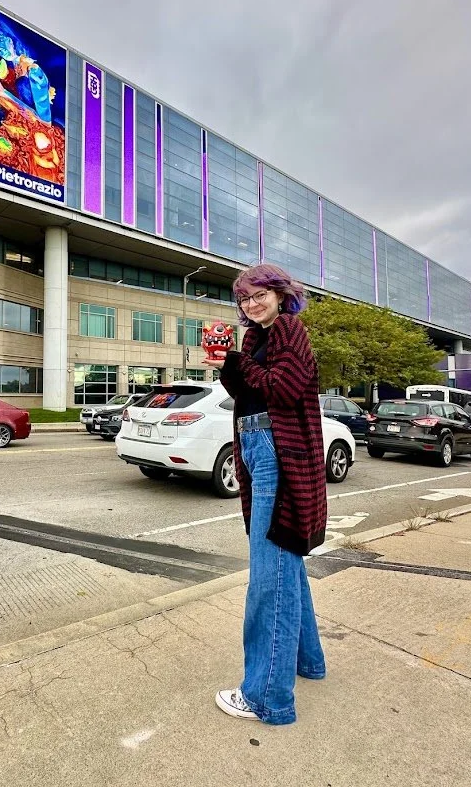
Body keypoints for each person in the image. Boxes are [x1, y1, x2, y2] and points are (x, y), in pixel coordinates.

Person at [205, 263, 327, 725]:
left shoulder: (289, 329)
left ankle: (266, 698)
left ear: (280, 294)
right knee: (285, 563)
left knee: (268, 574)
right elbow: (248, 390)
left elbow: (284, 388)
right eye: (244, 299)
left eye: (259, 295)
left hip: (279, 450)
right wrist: (228, 366)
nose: (251, 305)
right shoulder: (258, 338)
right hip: (257, 445)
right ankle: (308, 660)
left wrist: (238, 364)